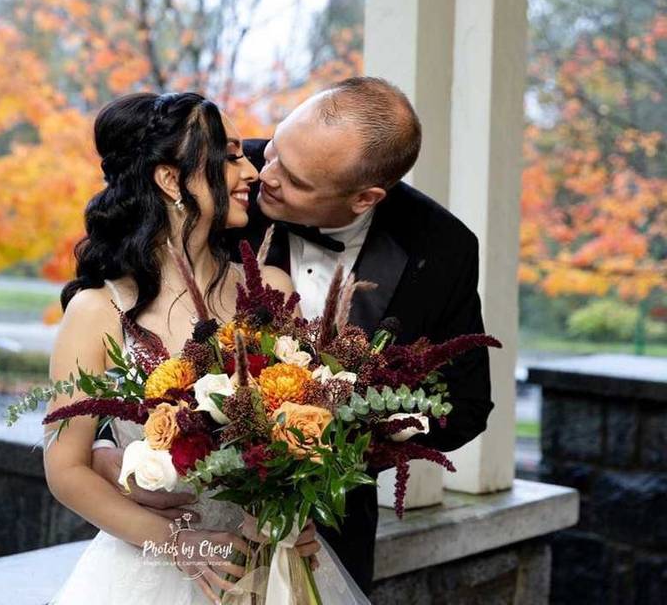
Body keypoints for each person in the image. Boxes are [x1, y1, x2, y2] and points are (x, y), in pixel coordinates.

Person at [91, 77, 495, 595]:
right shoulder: (219, 176)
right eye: (275, 148)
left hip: (326, 537)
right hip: (182, 531)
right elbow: (113, 303)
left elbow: (466, 404)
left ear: (364, 197)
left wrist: (342, 434)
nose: (265, 176)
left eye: (297, 179)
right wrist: (110, 453)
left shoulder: (442, 249)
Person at [45, 92, 360, 604]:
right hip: (153, 570)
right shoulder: (96, 311)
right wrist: (181, 546)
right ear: (171, 180)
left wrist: (296, 510)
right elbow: (66, 470)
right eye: (231, 156)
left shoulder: (272, 291)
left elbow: (317, 429)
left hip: (274, 560)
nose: (252, 172)